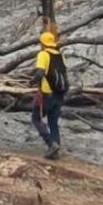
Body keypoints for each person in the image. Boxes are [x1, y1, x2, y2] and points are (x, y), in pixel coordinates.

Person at [31, 31, 67, 159]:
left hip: (47, 93)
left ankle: (51, 144)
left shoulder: (43, 54)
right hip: (59, 94)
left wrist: (31, 82)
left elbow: (40, 73)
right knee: (53, 122)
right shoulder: (60, 56)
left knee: (36, 118)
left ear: (42, 43)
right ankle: (55, 150)